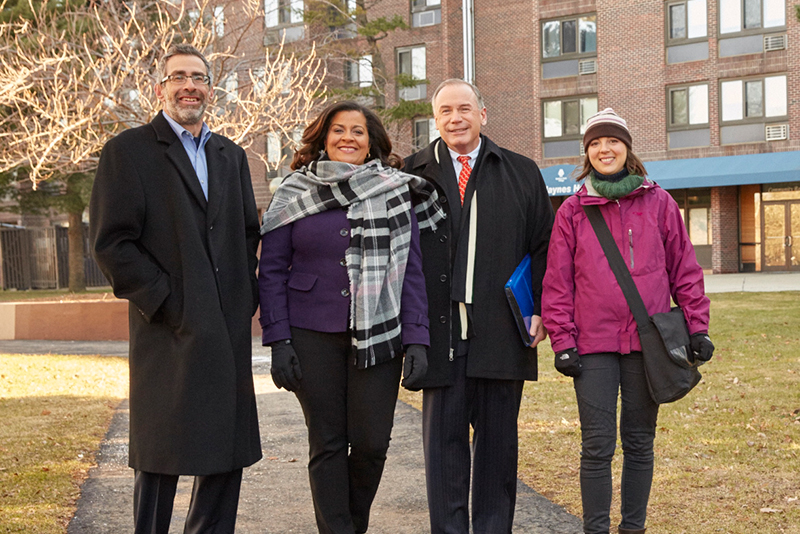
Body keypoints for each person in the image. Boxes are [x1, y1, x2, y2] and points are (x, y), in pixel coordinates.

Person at [89, 43, 261, 533]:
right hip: (166, 327)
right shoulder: (129, 151)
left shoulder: (230, 155)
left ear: (210, 87)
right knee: (162, 453)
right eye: (179, 76)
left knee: (227, 450)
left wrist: (242, 296)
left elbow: (248, 232)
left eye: (199, 77)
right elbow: (111, 243)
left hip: (226, 326)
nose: (190, 85)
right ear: (160, 87)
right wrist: (166, 300)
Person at [258, 100, 445, 534]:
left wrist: (417, 338)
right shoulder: (293, 191)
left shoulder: (397, 190)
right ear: (323, 138)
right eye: (338, 130)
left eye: (357, 131)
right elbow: (271, 271)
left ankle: (351, 526)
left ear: (371, 142)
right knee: (326, 443)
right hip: (310, 332)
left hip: (380, 333)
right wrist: (278, 339)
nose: (347, 137)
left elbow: (411, 271)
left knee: (371, 444)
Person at [542, 108, 714, 534]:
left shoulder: (660, 203)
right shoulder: (572, 211)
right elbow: (558, 281)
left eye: (612, 141)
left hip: (647, 342)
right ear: (587, 153)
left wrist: (698, 327)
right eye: (596, 143)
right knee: (597, 446)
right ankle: (596, 529)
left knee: (639, 443)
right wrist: (562, 340)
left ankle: (633, 528)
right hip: (593, 345)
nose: (605, 149)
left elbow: (685, 271)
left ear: (627, 148)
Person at [403, 79, 554, 533]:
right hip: (440, 334)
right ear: (436, 119)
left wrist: (541, 307)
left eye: (464, 108)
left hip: (502, 332)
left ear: (483, 114)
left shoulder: (521, 172)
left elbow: (544, 246)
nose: (455, 118)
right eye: (445, 111)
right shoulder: (412, 174)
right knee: (444, 452)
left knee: (497, 451)